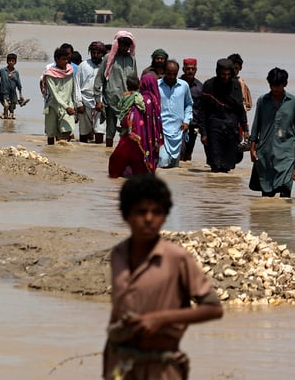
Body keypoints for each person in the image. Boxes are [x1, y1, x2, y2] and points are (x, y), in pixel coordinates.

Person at [103, 174, 223, 380]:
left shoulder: (177, 258)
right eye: (141, 211)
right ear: (126, 215)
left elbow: (214, 308)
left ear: (165, 216)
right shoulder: (118, 255)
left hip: (162, 367)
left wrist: (161, 319)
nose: (149, 218)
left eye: (156, 212)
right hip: (120, 365)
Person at [249, 67, 295, 197]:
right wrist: (252, 148)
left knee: (285, 192)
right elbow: (256, 124)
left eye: (277, 86)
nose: (274, 89)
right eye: (272, 85)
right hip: (266, 152)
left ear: (285, 84)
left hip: (287, 153)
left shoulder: (293, 102)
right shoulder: (263, 101)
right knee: (267, 194)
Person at [108, 74, 163, 178]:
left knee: (119, 159)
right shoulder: (155, 100)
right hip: (149, 138)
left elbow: (132, 118)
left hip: (136, 136)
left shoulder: (139, 98)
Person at [199, 59, 248, 173]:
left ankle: (225, 189)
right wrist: (204, 133)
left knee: (228, 165)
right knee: (215, 165)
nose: (226, 77)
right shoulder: (209, 85)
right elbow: (202, 111)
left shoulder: (235, 85)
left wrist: (245, 129)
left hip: (231, 129)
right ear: (218, 72)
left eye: (228, 74)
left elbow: (240, 108)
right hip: (214, 129)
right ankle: (214, 189)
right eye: (223, 74)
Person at [94, 31, 138, 148]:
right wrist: (98, 100)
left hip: (128, 101)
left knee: (128, 129)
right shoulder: (109, 58)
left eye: (127, 46)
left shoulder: (132, 60)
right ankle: (108, 152)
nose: (124, 48)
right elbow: (99, 80)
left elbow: (135, 80)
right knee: (110, 129)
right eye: (122, 45)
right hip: (111, 99)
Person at [157, 60, 193, 169]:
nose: (172, 76)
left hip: (178, 132)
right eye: (169, 73)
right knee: (162, 162)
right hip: (161, 131)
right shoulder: (156, 85)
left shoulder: (184, 86)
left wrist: (187, 121)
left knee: (174, 166)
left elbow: (188, 104)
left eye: (174, 74)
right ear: (164, 71)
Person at [75, 41, 107, 144]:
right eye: (93, 53)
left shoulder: (106, 66)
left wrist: (101, 101)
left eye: (98, 53)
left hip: (101, 102)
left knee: (99, 130)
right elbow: (76, 85)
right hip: (84, 101)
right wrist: (79, 103)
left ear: (103, 54)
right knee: (84, 131)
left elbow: (108, 86)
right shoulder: (83, 65)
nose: (95, 55)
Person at [43, 47, 77, 145]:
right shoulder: (49, 74)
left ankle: (63, 156)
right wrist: (66, 107)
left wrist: (74, 105)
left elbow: (73, 89)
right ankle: (51, 153)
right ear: (56, 59)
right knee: (51, 133)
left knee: (66, 130)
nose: (66, 62)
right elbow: (55, 94)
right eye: (63, 59)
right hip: (53, 106)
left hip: (68, 105)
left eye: (67, 59)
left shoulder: (70, 72)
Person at [179, 58, 204, 162]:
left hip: (193, 124)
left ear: (196, 70)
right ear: (183, 69)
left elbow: (202, 107)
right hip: (179, 123)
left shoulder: (199, 87)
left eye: (192, 69)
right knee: (179, 152)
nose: (190, 71)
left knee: (189, 152)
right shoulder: (177, 84)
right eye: (188, 69)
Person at [0, 53, 27, 120]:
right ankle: (5, 117)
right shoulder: (2, 70)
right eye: (9, 61)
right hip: (4, 93)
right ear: (7, 61)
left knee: (11, 110)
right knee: (6, 105)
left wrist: (21, 95)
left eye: (13, 61)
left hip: (13, 95)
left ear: (15, 62)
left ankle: (8, 121)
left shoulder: (16, 73)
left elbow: (19, 85)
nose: (11, 62)